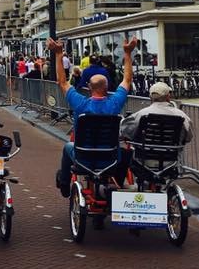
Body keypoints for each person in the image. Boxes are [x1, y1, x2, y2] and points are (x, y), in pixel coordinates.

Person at [48, 36, 138, 196]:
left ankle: (64, 183)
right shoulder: (114, 103)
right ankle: (118, 181)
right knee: (126, 153)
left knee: (67, 147)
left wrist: (58, 54)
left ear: (89, 87)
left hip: (84, 157)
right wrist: (127, 53)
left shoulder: (81, 104)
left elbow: (62, 82)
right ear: (107, 87)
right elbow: (127, 80)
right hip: (110, 158)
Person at [120, 81, 193, 144]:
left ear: (150, 98)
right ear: (168, 97)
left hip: (145, 155)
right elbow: (188, 137)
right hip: (171, 156)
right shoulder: (181, 115)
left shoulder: (141, 114)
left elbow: (125, 131)